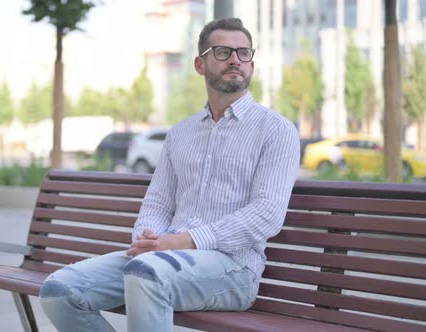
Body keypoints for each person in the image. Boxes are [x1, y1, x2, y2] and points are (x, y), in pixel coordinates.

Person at [39, 17, 300, 332]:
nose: (235, 59)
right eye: (222, 51)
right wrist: (147, 239)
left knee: (147, 275)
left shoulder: (276, 130)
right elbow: (158, 202)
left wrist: (184, 241)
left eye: (244, 53)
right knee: (60, 292)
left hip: (233, 269)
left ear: (252, 66)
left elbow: (266, 214)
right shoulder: (180, 133)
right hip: (160, 258)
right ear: (200, 64)